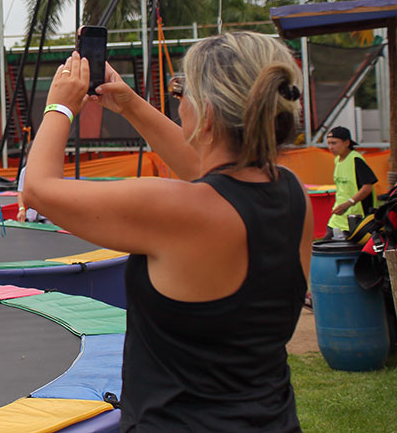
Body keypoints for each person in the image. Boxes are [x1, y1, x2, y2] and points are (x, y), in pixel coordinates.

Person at [25, 32, 313, 430]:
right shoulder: (292, 194)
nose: (177, 102)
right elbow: (206, 168)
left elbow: (38, 190)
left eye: (180, 92)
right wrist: (129, 104)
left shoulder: (180, 210)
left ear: (207, 113)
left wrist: (60, 105)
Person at [326, 125, 378, 239]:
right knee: (325, 245)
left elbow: (367, 187)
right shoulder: (337, 160)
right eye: (328, 143)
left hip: (356, 218)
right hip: (338, 217)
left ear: (347, 143)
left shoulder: (356, 160)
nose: (330, 147)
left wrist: (348, 204)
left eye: (334, 143)